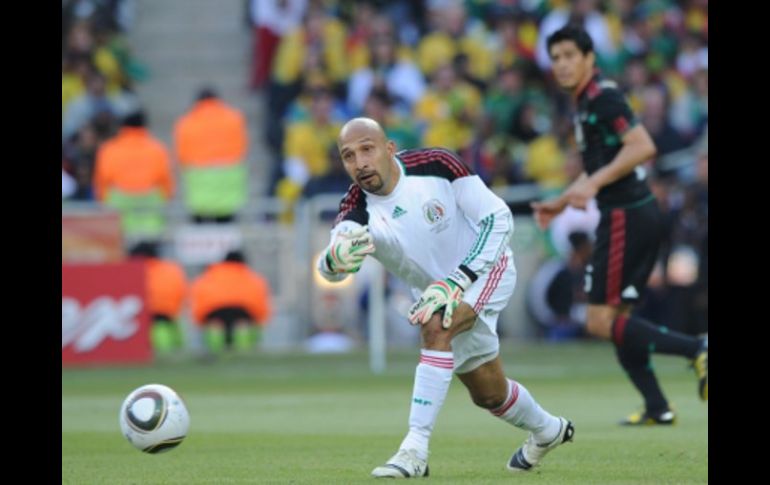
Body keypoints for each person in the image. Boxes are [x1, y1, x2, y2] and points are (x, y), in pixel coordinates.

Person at [316, 117, 574, 477]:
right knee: (489, 394)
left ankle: (414, 450)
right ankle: (548, 430)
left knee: (435, 324)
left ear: (389, 149)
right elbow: (333, 262)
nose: (359, 163)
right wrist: (332, 261)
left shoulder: (437, 164)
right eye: (348, 155)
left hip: (486, 268)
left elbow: (498, 218)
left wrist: (458, 279)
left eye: (367, 149)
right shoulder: (355, 209)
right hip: (438, 289)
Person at [532, 25, 707, 426]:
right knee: (618, 319)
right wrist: (560, 202)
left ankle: (697, 346)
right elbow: (599, 169)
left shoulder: (603, 97)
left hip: (626, 216)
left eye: (570, 56)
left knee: (599, 320)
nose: (562, 64)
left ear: (590, 58)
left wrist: (593, 183)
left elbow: (643, 146)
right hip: (634, 214)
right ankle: (657, 406)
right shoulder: (585, 104)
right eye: (556, 57)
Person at [189, 250, 272, 354]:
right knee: (243, 325)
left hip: (213, 312)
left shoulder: (209, 275)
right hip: (244, 313)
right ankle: (244, 353)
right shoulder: (253, 277)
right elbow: (261, 304)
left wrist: (200, 320)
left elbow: (198, 296)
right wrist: (259, 321)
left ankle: (215, 351)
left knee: (215, 326)